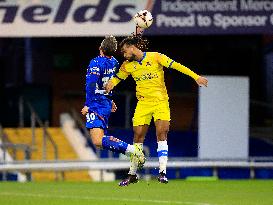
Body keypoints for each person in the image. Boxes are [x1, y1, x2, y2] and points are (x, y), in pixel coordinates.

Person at [105, 35, 208, 186]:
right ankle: (132, 174)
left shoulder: (156, 57)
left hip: (160, 102)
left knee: (162, 133)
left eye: (125, 51)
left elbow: (176, 65)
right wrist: (110, 83)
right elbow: (117, 78)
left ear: (133, 48)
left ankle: (162, 172)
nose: (124, 54)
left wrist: (195, 77)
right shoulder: (127, 65)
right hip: (143, 104)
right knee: (138, 136)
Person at [81, 36, 145, 174]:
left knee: (97, 141)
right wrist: (110, 99)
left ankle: (132, 150)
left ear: (101, 49)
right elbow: (110, 83)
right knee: (99, 141)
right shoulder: (115, 62)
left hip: (96, 103)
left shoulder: (95, 63)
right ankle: (131, 150)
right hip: (105, 103)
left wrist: (88, 105)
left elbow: (91, 86)